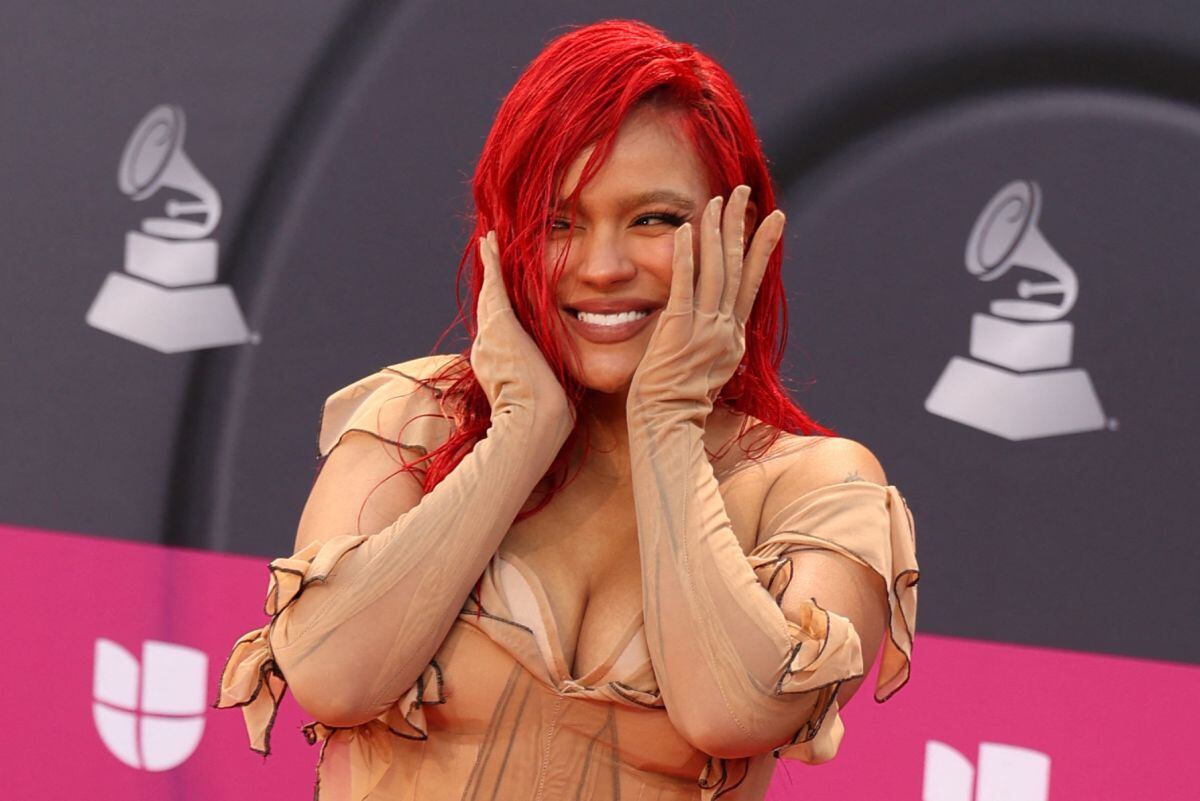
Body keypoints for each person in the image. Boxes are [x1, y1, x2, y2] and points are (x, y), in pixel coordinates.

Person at [215, 18, 919, 801]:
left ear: (741, 232)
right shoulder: (417, 419)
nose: (602, 266)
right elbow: (332, 677)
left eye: (653, 219)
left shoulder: (815, 486)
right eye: (559, 223)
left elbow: (735, 710)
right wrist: (518, 432)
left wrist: (669, 422)